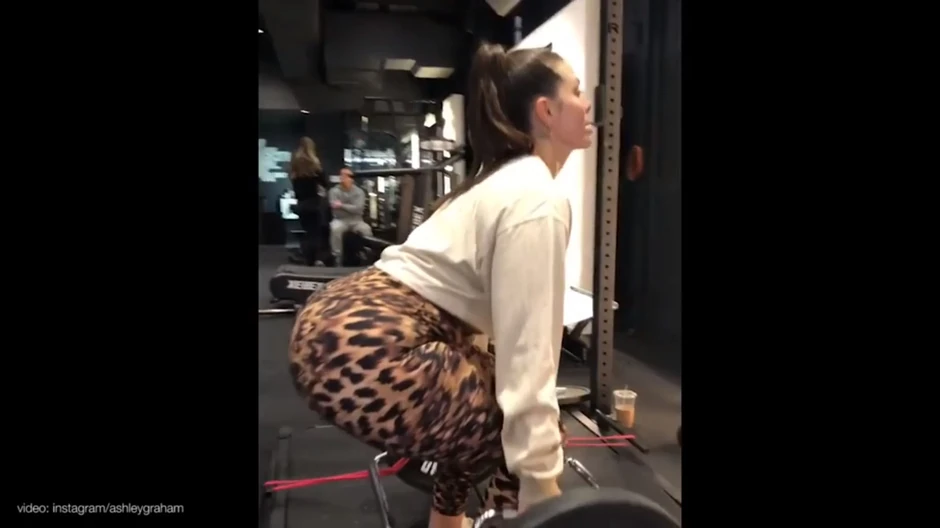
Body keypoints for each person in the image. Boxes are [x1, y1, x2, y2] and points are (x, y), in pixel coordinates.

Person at [288, 42, 593, 528]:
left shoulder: (502, 182)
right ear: (547, 111)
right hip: (366, 342)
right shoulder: (535, 197)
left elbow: (486, 348)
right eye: (576, 91)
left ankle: (447, 521)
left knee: (485, 399)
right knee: (521, 425)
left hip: (334, 329)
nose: (588, 102)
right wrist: (542, 487)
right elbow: (529, 357)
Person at [288, 137, 328, 265]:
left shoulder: (295, 164)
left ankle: (307, 259)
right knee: (315, 233)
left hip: (301, 204)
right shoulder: (314, 164)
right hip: (314, 203)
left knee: (308, 232)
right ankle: (316, 259)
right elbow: (324, 182)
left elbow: (294, 183)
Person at [327, 167, 373, 265]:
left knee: (366, 229)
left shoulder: (359, 192)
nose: (344, 178)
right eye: (342, 175)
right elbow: (335, 208)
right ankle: (337, 258)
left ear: (352, 178)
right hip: (340, 219)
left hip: (357, 220)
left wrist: (341, 205)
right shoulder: (334, 191)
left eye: (347, 176)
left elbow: (358, 209)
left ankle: (367, 254)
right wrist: (351, 208)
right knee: (335, 229)